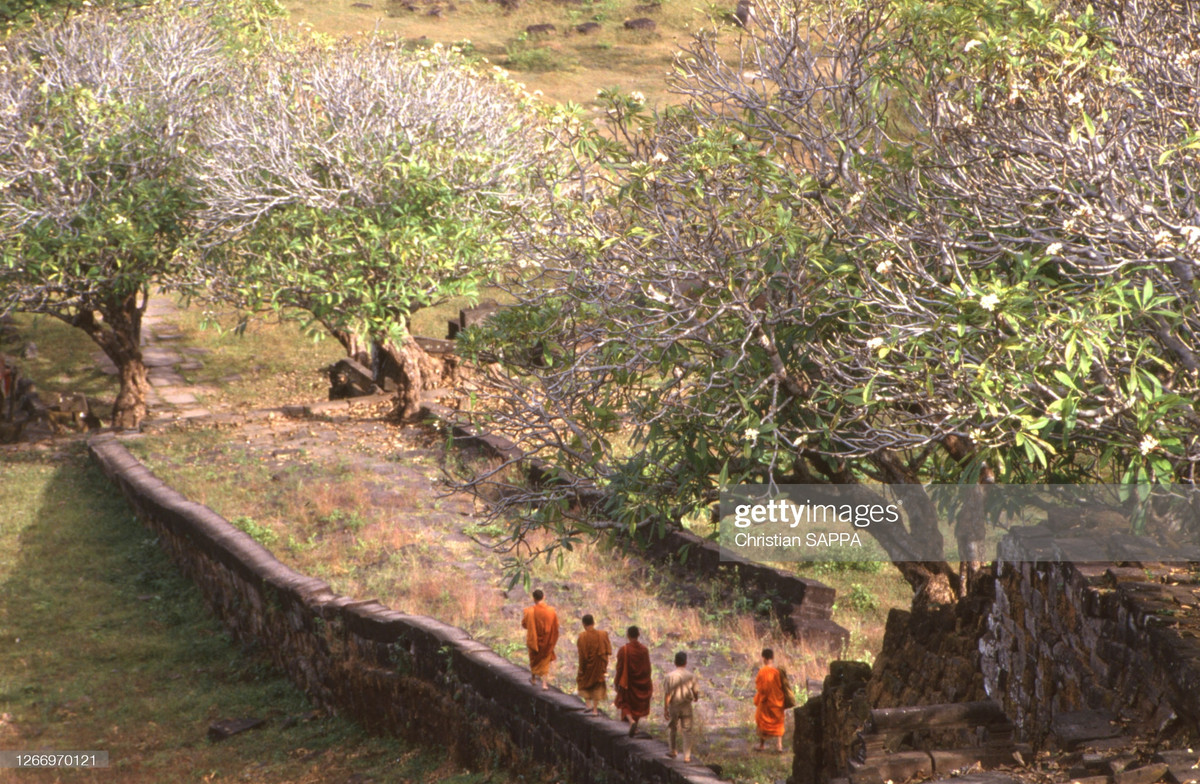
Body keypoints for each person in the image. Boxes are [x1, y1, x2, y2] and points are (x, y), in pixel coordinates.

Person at [614, 625, 653, 736]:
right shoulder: (644, 650)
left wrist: (617, 681)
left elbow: (619, 668)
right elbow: (647, 668)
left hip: (628, 683)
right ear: (638, 635)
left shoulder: (624, 650)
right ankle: (634, 724)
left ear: (628, 635)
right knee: (637, 705)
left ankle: (631, 721)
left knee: (624, 703)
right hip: (641, 681)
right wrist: (647, 682)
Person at [662, 651, 700, 762]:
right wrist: (696, 697)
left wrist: (665, 708)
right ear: (685, 662)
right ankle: (687, 756)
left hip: (674, 705)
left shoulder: (670, 676)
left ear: (675, 662)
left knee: (672, 727)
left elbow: (667, 694)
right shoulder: (691, 675)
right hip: (686, 705)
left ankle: (672, 750)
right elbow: (695, 691)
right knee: (687, 730)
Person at [522, 588, 560, 690]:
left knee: (534, 659)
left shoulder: (529, 611)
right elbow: (556, 625)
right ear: (544, 597)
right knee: (545, 661)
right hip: (547, 640)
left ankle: (533, 678)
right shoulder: (551, 611)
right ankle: (544, 684)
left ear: (534, 599)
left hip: (534, 640)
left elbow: (524, 624)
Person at [576, 614, 612, 714]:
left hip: (587, 666)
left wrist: (581, 668)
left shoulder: (582, 636)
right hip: (599, 666)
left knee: (582, 681)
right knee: (597, 685)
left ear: (583, 624)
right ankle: (595, 710)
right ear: (593, 623)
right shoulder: (603, 634)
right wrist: (604, 665)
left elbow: (582, 655)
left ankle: (588, 704)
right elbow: (607, 651)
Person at [753, 647, 785, 752]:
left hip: (766, 701)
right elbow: (781, 686)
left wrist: (761, 697)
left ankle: (762, 745)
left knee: (762, 720)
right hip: (777, 700)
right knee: (779, 722)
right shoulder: (777, 672)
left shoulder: (763, 671)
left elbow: (760, 687)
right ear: (772, 657)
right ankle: (779, 745)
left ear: (764, 658)